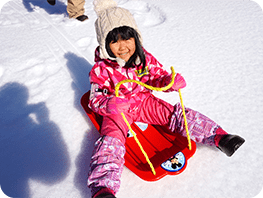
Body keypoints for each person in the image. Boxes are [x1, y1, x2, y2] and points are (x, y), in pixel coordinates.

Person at [87, 0, 245, 197]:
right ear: (104, 43)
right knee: (112, 138)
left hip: (143, 102)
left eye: (128, 38)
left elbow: (156, 76)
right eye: (115, 40)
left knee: (175, 115)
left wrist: (168, 82)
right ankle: (103, 187)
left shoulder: (143, 58)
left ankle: (219, 137)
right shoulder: (101, 70)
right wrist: (110, 103)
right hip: (118, 109)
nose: (123, 46)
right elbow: (95, 99)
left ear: (136, 37)